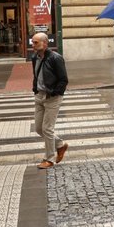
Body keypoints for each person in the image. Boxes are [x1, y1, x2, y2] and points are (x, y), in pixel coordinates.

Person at [31, 32, 69, 169]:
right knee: (38, 128)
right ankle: (60, 145)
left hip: (52, 97)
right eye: (32, 42)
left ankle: (49, 159)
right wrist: (35, 89)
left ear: (45, 43)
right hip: (39, 96)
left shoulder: (55, 58)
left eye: (36, 42)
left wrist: (54, 93)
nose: (33, 45)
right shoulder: (35, 57)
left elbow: (64, 79)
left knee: (47, 128)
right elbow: (36, 76)